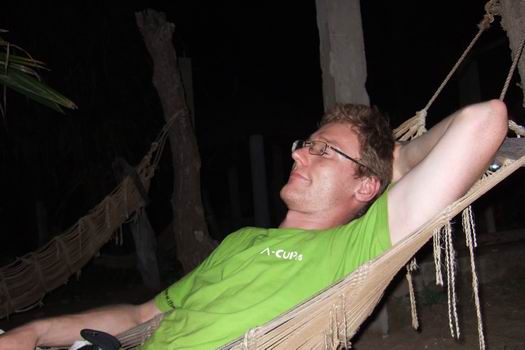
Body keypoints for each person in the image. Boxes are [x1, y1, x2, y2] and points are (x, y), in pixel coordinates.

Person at [0, 100, 508, 349]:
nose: (300, 155)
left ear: (365, 188)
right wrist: (36, 329)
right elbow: (140, 316)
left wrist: (390, 161)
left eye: (322, 150)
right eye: (303, 143)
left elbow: (486, 119)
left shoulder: (356, 245)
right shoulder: (242, 241)